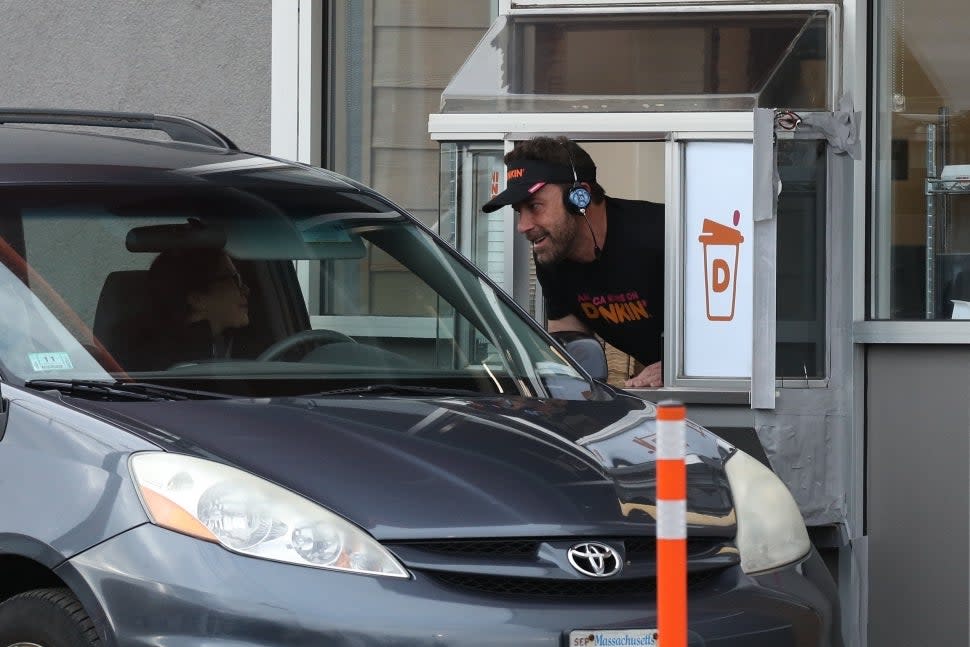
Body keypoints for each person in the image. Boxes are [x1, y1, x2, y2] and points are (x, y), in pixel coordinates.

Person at [481, 136, 664, 388]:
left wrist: (680, 367)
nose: (522, 226)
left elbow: (727, 322)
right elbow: (571, 343)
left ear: (580, 198)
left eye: (535, 206)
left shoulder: (661, 234)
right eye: (518, 211)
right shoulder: (552, 256)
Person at [140, 248, 250, 370]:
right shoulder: (185, 365)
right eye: (234, 279)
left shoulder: (217, 345)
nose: (245, 290)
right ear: (197, 299)